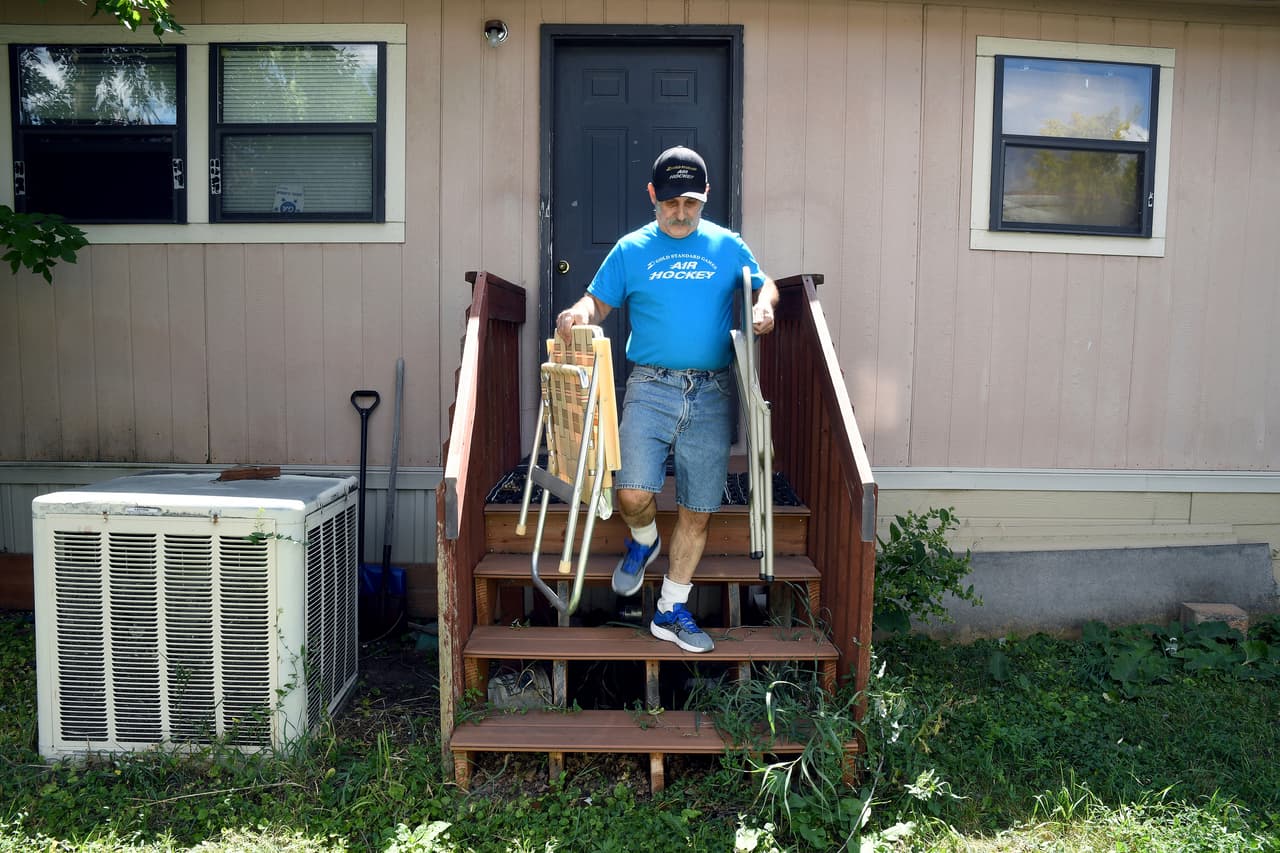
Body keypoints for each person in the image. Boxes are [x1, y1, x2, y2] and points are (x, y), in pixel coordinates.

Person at [555, 145, 779, 653]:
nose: (681, 213)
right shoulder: (631, 249)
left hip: (714, 391)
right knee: (632, 492)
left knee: (698, 509)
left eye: (692, 203)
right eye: (671, 202)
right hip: (650, 386)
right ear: (653, 196)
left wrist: (764, 307)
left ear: (705, 199)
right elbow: (598, 300)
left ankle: (670, 610)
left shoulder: (727, 245)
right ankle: (644, 539)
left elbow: (765, 287)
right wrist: (578, 311)